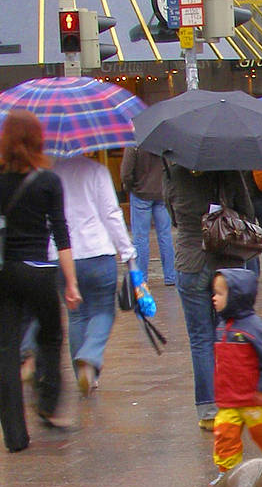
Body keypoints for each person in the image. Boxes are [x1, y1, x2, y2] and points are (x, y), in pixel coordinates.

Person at [0, 110, 80, 450]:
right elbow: (61, 234)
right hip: (38, 271)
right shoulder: (48, 181)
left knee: (5, 350)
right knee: (51, 335)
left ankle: (15, 436)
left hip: (4, 270)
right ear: (37, 140)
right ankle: (47, 402)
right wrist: (71, 282)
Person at [163, 162, 255, 430]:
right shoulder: (228, 166)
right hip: (226, 259)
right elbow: (247, 211)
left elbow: (173, 215)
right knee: (230, 332)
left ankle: (208, 410)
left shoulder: (172, 170)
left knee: (200, 338)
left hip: (190, 259)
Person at [54, 153, 137, 396]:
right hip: (98, 252)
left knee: (76, 316)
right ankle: (90, 356)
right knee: (103, 310)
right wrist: (127, 251)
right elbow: (111, 213)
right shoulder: (97, 171)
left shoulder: (52, 173)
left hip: (64, 255)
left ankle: (83, 371)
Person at [210, 267, 262, 474]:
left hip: (255, 400)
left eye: (219, 293)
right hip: (229, 401)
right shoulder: (221, 327)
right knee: (225, 437)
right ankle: (227, 474)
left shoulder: (255, 329)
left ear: (236, 296)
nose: (214, 298)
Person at [121, 144, 175, 286]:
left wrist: (129, 187)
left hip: (141, 193)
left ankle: (141, 278)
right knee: (165, 235)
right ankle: (170, 276)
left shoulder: (134, 143)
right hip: (161, 192)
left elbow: (126, 172)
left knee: (140, 237)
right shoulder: (163, 139)